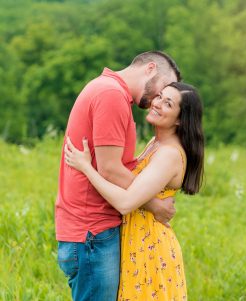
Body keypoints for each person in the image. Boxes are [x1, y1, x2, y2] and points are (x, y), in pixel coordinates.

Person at [55, 51, 181, 301]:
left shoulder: (110, 92)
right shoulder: (110, 95)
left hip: (91, 232)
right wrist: (154, 204)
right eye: (163, 89)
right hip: (93, 232)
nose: (158, 98)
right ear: (150, 68)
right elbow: (110, 169)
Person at [64, 82, 204, 300]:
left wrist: (86, 168)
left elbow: (126, 202)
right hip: (137, 240)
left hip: (150, 247)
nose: (156, 103)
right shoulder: (155, 143)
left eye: (168, 103)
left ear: (179, 119)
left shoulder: (169, 154)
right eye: (159, 96)